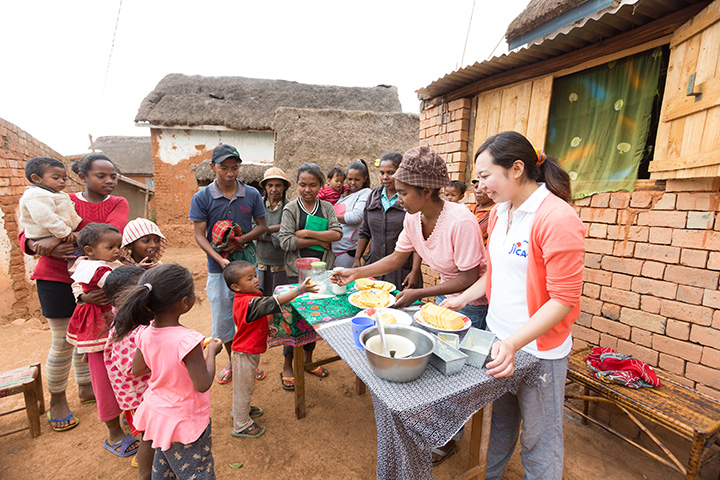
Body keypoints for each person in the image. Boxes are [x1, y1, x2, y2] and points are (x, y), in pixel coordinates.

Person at [440, 131, 585, 480]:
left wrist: (514, 343)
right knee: (501, 421)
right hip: (501, 341)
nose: (481, 184)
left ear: (516, 168)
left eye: (486, 175)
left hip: (539, 351)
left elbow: (563, 300)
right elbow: (497, 274)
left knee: (540, 436)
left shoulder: (557, 218)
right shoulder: (499, 213)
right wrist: (462, 297)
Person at [331, 146, 488, 464]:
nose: (398, 198)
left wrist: (419, 293)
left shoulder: (460, 220)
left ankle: (447, 439)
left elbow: (470, 278)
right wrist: (354, 271)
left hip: (475, 303)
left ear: (426, 190)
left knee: (454, 376)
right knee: (441, 367)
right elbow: (396, 258)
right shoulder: (414, 220)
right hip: (446, 298)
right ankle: (439, 432)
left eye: (403, 192)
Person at [19, 153, 128, 432]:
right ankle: (57, 399)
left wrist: (55, 239)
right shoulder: (61, 197)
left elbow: (107, 233)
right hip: (54, 277)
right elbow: (26, 231)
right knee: (62, 341)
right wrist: (36, 245)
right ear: (83, 177)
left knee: (90, 336)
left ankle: (85, 387)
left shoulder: (117, 203)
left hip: (95, 281)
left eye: (113, 175)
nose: (109, 180)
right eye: (101, 175)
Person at [113, 264, 223, 480]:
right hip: (183, 418)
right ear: (185, 303)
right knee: (197, 472)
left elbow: (137, 369)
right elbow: (202, 384)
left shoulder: (144, 333)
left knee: (164, 467)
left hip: (157, 411)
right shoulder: (188, 341)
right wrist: (211, 352)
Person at [188, 144, 267, 386]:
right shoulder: (202, 197)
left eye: (235, 168)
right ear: (213, 167)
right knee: (224, 318)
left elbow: (261, 226)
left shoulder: (251, 194)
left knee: (249, 317)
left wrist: (241, 241)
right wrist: (220, 258)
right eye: (223, 168)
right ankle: (234, 362)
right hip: (218, 269)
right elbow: (200, 234)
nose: (230, 173)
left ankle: (250, 363)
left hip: (247, 266)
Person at [223, 261, 317, 438]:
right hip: (244, 353)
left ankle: (241, 411)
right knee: (244, 388)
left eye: (255, 276)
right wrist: (299, 290)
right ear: (236, 287)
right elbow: (275, 301)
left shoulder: (246, 299)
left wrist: (267, 329)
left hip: (248, 351)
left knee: (245, 387)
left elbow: (250, 323)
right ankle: (241, 424)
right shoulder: (249, 302)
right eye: (249, 278)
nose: (256, 280)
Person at [277, 163, 342, 389]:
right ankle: (287, 364)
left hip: (320, 273)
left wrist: (306, 233)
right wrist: (318, 240)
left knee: (314, 318)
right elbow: (285, 241)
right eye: (303, 185)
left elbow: (337, 233)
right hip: (296, 273)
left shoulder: (326, 208)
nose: (307, 190)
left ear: (320, 186)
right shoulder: (291, 210)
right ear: (297, 185)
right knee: (293, 319)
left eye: (313, 185)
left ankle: (308, 360)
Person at [103, 265, 153, 478]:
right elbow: (130, 369)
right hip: (135, 397)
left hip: (144, 392)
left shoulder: (136, 318)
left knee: (152, 432)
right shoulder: (125, 330)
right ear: (120, 301)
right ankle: (144, 466)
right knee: (148, 436)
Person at [353, 152, 422, 289]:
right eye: (382, 173)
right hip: (375, 266)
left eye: (390, 172)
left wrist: (414, 271)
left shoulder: (411, 198)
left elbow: (418, 239)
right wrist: (357, 259)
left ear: (400, 173)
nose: (385, 177)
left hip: (402, 270)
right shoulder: (373, 196)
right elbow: (365, 231)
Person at [18, 157, 82, 245]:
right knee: (74, 254)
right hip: (50, 236)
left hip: (57, 234)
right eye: (56, 178)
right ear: (36, 178)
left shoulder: (53, 193)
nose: (62, 181)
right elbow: (45, 217)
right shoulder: (36, 194)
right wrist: (64, 232)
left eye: (64, 179)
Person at [255, 167, 291, 295]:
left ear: (284, 187)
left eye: (278, 185)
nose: (274, 189)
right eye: (270, 185)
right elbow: (252, 230)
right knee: (261, 298)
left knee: (279, 300)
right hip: (260, 261)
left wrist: (262, 231)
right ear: (265, 187)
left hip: (281, 263)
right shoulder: (257, 205)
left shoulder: (290, 207)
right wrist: (276, 228)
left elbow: (287, 234)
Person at [332, 159, 372, 268]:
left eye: (357, 179)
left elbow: (356, 216)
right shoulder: (343, 195)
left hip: (347, 252)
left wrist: (330, 218)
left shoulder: (366, 193)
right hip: (333, 251)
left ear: (364, 179)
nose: (352, 183)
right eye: (349, 179)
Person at [468, 178, 495, 245]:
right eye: (476, 187)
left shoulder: (494, 212)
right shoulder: (469, 208)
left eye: (483, 187)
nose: (478, 191)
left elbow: (471, 236)